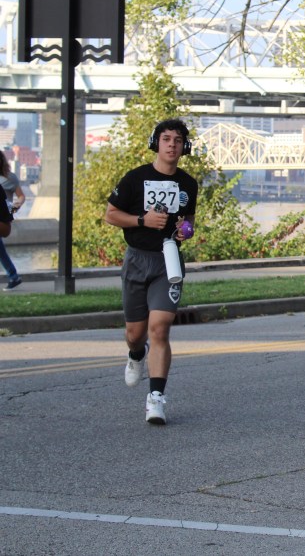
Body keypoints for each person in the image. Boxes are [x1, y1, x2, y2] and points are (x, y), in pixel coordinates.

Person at [105, 119, 198, 425]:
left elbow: (189, 221)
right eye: (166, 139)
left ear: (184, 147)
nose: (172, 145)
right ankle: (136, 354)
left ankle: (156, 398)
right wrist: (142, 221)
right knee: (135, 334)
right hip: (137, 259)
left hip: (167, 261)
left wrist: (185, 230)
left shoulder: (188, 184)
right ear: (156, 143)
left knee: (160, 327)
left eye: (178, 140)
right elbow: (111, 215)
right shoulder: (135, 178)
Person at [0, 152, 26, 290]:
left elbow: (21, 196)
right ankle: (13, 275)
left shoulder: (10, 178)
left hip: (3, 216)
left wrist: (15, 208)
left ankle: (13, 275)